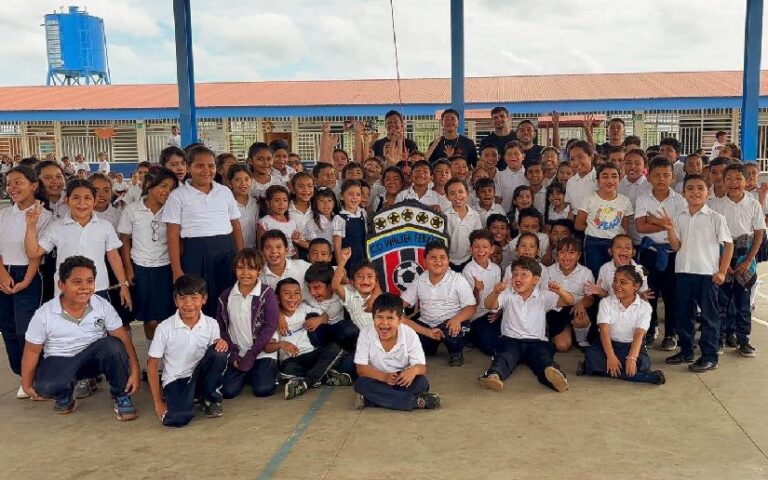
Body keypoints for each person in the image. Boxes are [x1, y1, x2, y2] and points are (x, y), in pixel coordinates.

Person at [21, 256, 140, 419]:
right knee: (45, 386)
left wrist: (134, 370)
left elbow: (123, 340)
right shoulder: (44, 314)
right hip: (61, 362)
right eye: (77, 282)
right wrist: (26, 385)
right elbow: (32, 351)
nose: (85, 287)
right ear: (61, 285)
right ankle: (65, 395)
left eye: (89, 281)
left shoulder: (102, 305)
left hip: (93, 359)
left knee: (113, 345)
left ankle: (121, 395)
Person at [661, 174, 733, 372]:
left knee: (710, 317)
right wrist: (669, 229)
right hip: (684, 272)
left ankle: (709, 356)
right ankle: (687, 351)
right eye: (690, 188)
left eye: (700, 188)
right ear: (683, 193)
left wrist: (722, 271)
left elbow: (728, 245)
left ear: (707, 192)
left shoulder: (716, 218)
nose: (695, 192)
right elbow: (676, 246)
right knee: (684, 315)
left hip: (707, 275)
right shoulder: (679, 217)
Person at [477, 257, 574, 392]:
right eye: (515, 274)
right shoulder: (507, 294)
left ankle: (555, 377)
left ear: (536, 280)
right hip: (510, 340)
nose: (518, 278)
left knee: (543, 359)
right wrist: (495, 293)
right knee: (505, 357)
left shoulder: (543, 296)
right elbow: (489, 305)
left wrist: (560, 291)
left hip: (536, 342)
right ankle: (493, 376)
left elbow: (569, 301)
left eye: (524, 274)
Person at [117, 166, 178, 377]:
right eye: (163, 186)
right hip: (142, 269)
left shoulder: (173, 209)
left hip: (166, 269)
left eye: (171, 187)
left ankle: (168, 364)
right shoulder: (132, 210)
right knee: (150, 319)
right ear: (150, 185)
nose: (167, 191)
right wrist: (128, 269)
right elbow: (124, 240)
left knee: (168, 317)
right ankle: (155, 363)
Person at [147, 275, 230, 427]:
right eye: (182, 298)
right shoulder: (164, 328)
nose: (188, 304)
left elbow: (215, 354)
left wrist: (221, 343)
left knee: (220, 352)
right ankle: (185, 400)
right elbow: (152, 365)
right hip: (176, 380)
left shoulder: (211, 324)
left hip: (199, 375)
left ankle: (210, 398)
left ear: (204, 299)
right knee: (179, 418)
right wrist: (158, 402)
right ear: (175, 301)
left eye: (194, 298)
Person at [0, 166, 52, 398]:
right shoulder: (4, 214)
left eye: (18, 182)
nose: (12, 187)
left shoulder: (44, 215)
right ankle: (24, 376)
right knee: (8, 328)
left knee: (26, 329)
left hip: (29, 275)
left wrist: (26, 281)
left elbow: (36, 254)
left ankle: (37, 377)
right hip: (3, 275)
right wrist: (2, 274)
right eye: (9, 183)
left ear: (33, 186)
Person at [710, 163, 765, 356]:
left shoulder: (753, 203)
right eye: (729, 179)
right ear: (722, 182)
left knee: (743, 302)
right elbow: (711, 237)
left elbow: (758, 234)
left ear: (746, 181)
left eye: (738, 178)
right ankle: (720, 338)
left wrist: (749, 260)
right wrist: (721, 263)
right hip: (722, 258)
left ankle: (743, 339)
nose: (734, 183)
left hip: (745, 256)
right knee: (721, 300)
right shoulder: (715, 205)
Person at [353, 293, 440, 411]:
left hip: (402, 379)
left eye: (390, 318)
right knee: (361, 383)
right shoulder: (365, 334)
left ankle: (371, 400)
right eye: (379, 317)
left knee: (421, 382)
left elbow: (421, 367)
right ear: (373, 318)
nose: (384, 323)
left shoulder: (409, 334)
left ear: (400, 320)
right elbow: (361, 369)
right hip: (378, 378)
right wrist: (384, 377)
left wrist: (413, 370)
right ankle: (413, 402)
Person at [579, 265, 666, 385]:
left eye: (623, 282)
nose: (616, 285)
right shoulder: (606, 303)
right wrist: (610, 356)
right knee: (592, 355)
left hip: (632, 346)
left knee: (641, 362)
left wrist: (632, 358)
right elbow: (604, 331)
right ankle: (643, 377)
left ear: (636, 286)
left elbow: (639, 334)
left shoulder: (644, 307)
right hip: (609, 344)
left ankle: (598, 370)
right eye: (615, 280)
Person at [635, 156, 686, 350]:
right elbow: (640, 227)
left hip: (673, 253)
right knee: (650, 294)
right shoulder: (643, 199)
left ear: (673, 177)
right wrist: (663, 224)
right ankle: (650, 330)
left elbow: (678, 229)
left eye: (666, 175)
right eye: (656, 175)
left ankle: (671, 333)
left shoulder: (680, 201)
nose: (661, 179)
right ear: (649, 177)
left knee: (672, 294)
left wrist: (653, 220)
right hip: (649, 253)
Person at [274, 278, 353, 400]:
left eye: (296, 293)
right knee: (288, 371)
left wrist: (319, 319)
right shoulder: (274, 318)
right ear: (278, 298)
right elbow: (267, 346)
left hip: (312, 354)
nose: (292, 297)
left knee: (335, 348)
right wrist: (281, 344)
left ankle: (306, 382)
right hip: (291, 360)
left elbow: (326, 315)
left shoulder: (304, 308)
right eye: (287, 293)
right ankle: (324, 376)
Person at [401, 240, 477, 366]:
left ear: (448, 261)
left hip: (450, 323)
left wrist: (457, 319)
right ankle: (430, 346)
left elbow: (471, 307)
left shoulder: (458, 279)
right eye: (433, 258)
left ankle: (455, 352)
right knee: (405, 332)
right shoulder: (420, 280)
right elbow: (403, 302)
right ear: (425, 261)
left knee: (454, 332)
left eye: (443, 257)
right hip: (426, 324)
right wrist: (393, 310)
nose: (438, 261)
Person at [217, 248, 279, 398]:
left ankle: (258, 372)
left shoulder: (267, 293)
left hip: (261, 353)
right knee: (227, 391)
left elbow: (270, 326)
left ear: (259, 270)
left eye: (251, 268)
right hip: (238, 353)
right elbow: (221, 329)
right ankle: (246, 372)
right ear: (234, 270)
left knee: (263, 389)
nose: (245, 273)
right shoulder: (226, 296)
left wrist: (252, 355)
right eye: (240, 268)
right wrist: (233, 355)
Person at [575, 162, 633, 279]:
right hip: (593, 243)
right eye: (605, 176)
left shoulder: (625, 201)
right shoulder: (589, 199)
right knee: (596, 276)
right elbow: (578, 224)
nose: (610, 180)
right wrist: (595, 228)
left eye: (614, 176)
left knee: (617, 276)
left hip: (617, 244)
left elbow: (625, 227)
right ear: (598, 180)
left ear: (619, 178)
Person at [546, 237, 595, 351]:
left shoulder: (586, 272)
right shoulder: (549, 271)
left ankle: (581, 339)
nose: (566, 257)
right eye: (562, 252)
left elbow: (590, 298)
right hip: (556, 311)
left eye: (572, 253)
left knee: (581, 317)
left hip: (576, 310)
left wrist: (581, 304)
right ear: (557, 255)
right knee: (562, 346)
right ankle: (565, 331)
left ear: (578, 256)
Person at [303, 262, 359, 351]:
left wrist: (321, 318)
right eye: (309, 288)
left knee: (350, 330)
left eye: (317, 287)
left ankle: (343, 353)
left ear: (330, 286)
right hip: (320, 335)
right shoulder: (305, 292)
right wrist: (280, 317)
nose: (312, 292)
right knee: (311, 316)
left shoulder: (344, 291)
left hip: (339, 330)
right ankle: (324, 353)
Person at [463, 230, 502, 356]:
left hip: (493, 313)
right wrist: (476, 290)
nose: (481, 251)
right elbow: (470, 305)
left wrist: (498, 312)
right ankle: (471, 335)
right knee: (491, 347)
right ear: (470, 248)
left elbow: (499, 295)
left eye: (485, 247)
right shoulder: (468, 270)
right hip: (477, 316)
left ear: (492, 249)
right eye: (476, 247)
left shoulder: (496, 269)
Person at [332, 248, 379, 330]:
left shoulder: (380, 296)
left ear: (376, 281)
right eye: (360, 276)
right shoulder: (350, 294)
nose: (365, 280)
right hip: (366, 338)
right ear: (352, 281)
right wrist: (342, 261)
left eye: (370, 276)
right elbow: (335, 286)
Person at [444, 178, 483, 271]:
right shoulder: (444, 216)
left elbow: (478, 237)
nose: (457, 196)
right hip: (448, 260)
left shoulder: (474, 215)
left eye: (461, 192)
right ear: (447, 197)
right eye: (452, 193)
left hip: (469, 259)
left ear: (467, 193)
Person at [260, 230, 311, 299]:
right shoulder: (259, 276)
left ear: (286, 251)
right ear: (262, 252)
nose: (274, 251)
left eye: (278, 247)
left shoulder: (302, 266)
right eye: (268, 248)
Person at [333, 180, 367, 273]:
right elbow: (337, 245)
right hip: (349, 259)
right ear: (342, 196)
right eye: (350, 194)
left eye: (358, 194)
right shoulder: (339, 218)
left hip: (364, 255)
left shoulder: (363, 213)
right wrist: (341, 267)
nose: (354, 197)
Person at [258, 185, 299, 257]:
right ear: (268, 203)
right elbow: (261, 248)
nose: (281, 203)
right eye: (277, 200)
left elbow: (294, 246)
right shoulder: (264, 222)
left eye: (285, 200)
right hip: (272, 260)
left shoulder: (292, 223)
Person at [228, 164, 259, 249]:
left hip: (252, 250)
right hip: (233, 250)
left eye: (246, 179)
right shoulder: (227, 204)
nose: (243, 183)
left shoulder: (256, 203)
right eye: (237, 180)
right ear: (230, 183)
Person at [564, 141, 597, 218]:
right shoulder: (571, 182)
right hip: (576, 223)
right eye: (572, 159)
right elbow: (571, 209)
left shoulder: (599, 179)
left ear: (591, 157)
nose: (576, 162)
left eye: (580, 157)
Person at [480, 106, 517, 171]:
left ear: (508, 118)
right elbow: (482, 162)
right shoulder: (485, 141)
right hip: (493, 178)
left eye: (502, 116)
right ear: (492, 121)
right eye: (495, 117)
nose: (499, 119)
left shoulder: (518, 138)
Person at [496, 141, 529, 212]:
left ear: (523, 156)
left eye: (516, 154)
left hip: (527, 215)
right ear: (504, 157)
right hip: (505, 215)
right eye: (509, 154)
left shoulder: (529, 175)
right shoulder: (499, 176)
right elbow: (497, 199)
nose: (513, 157)